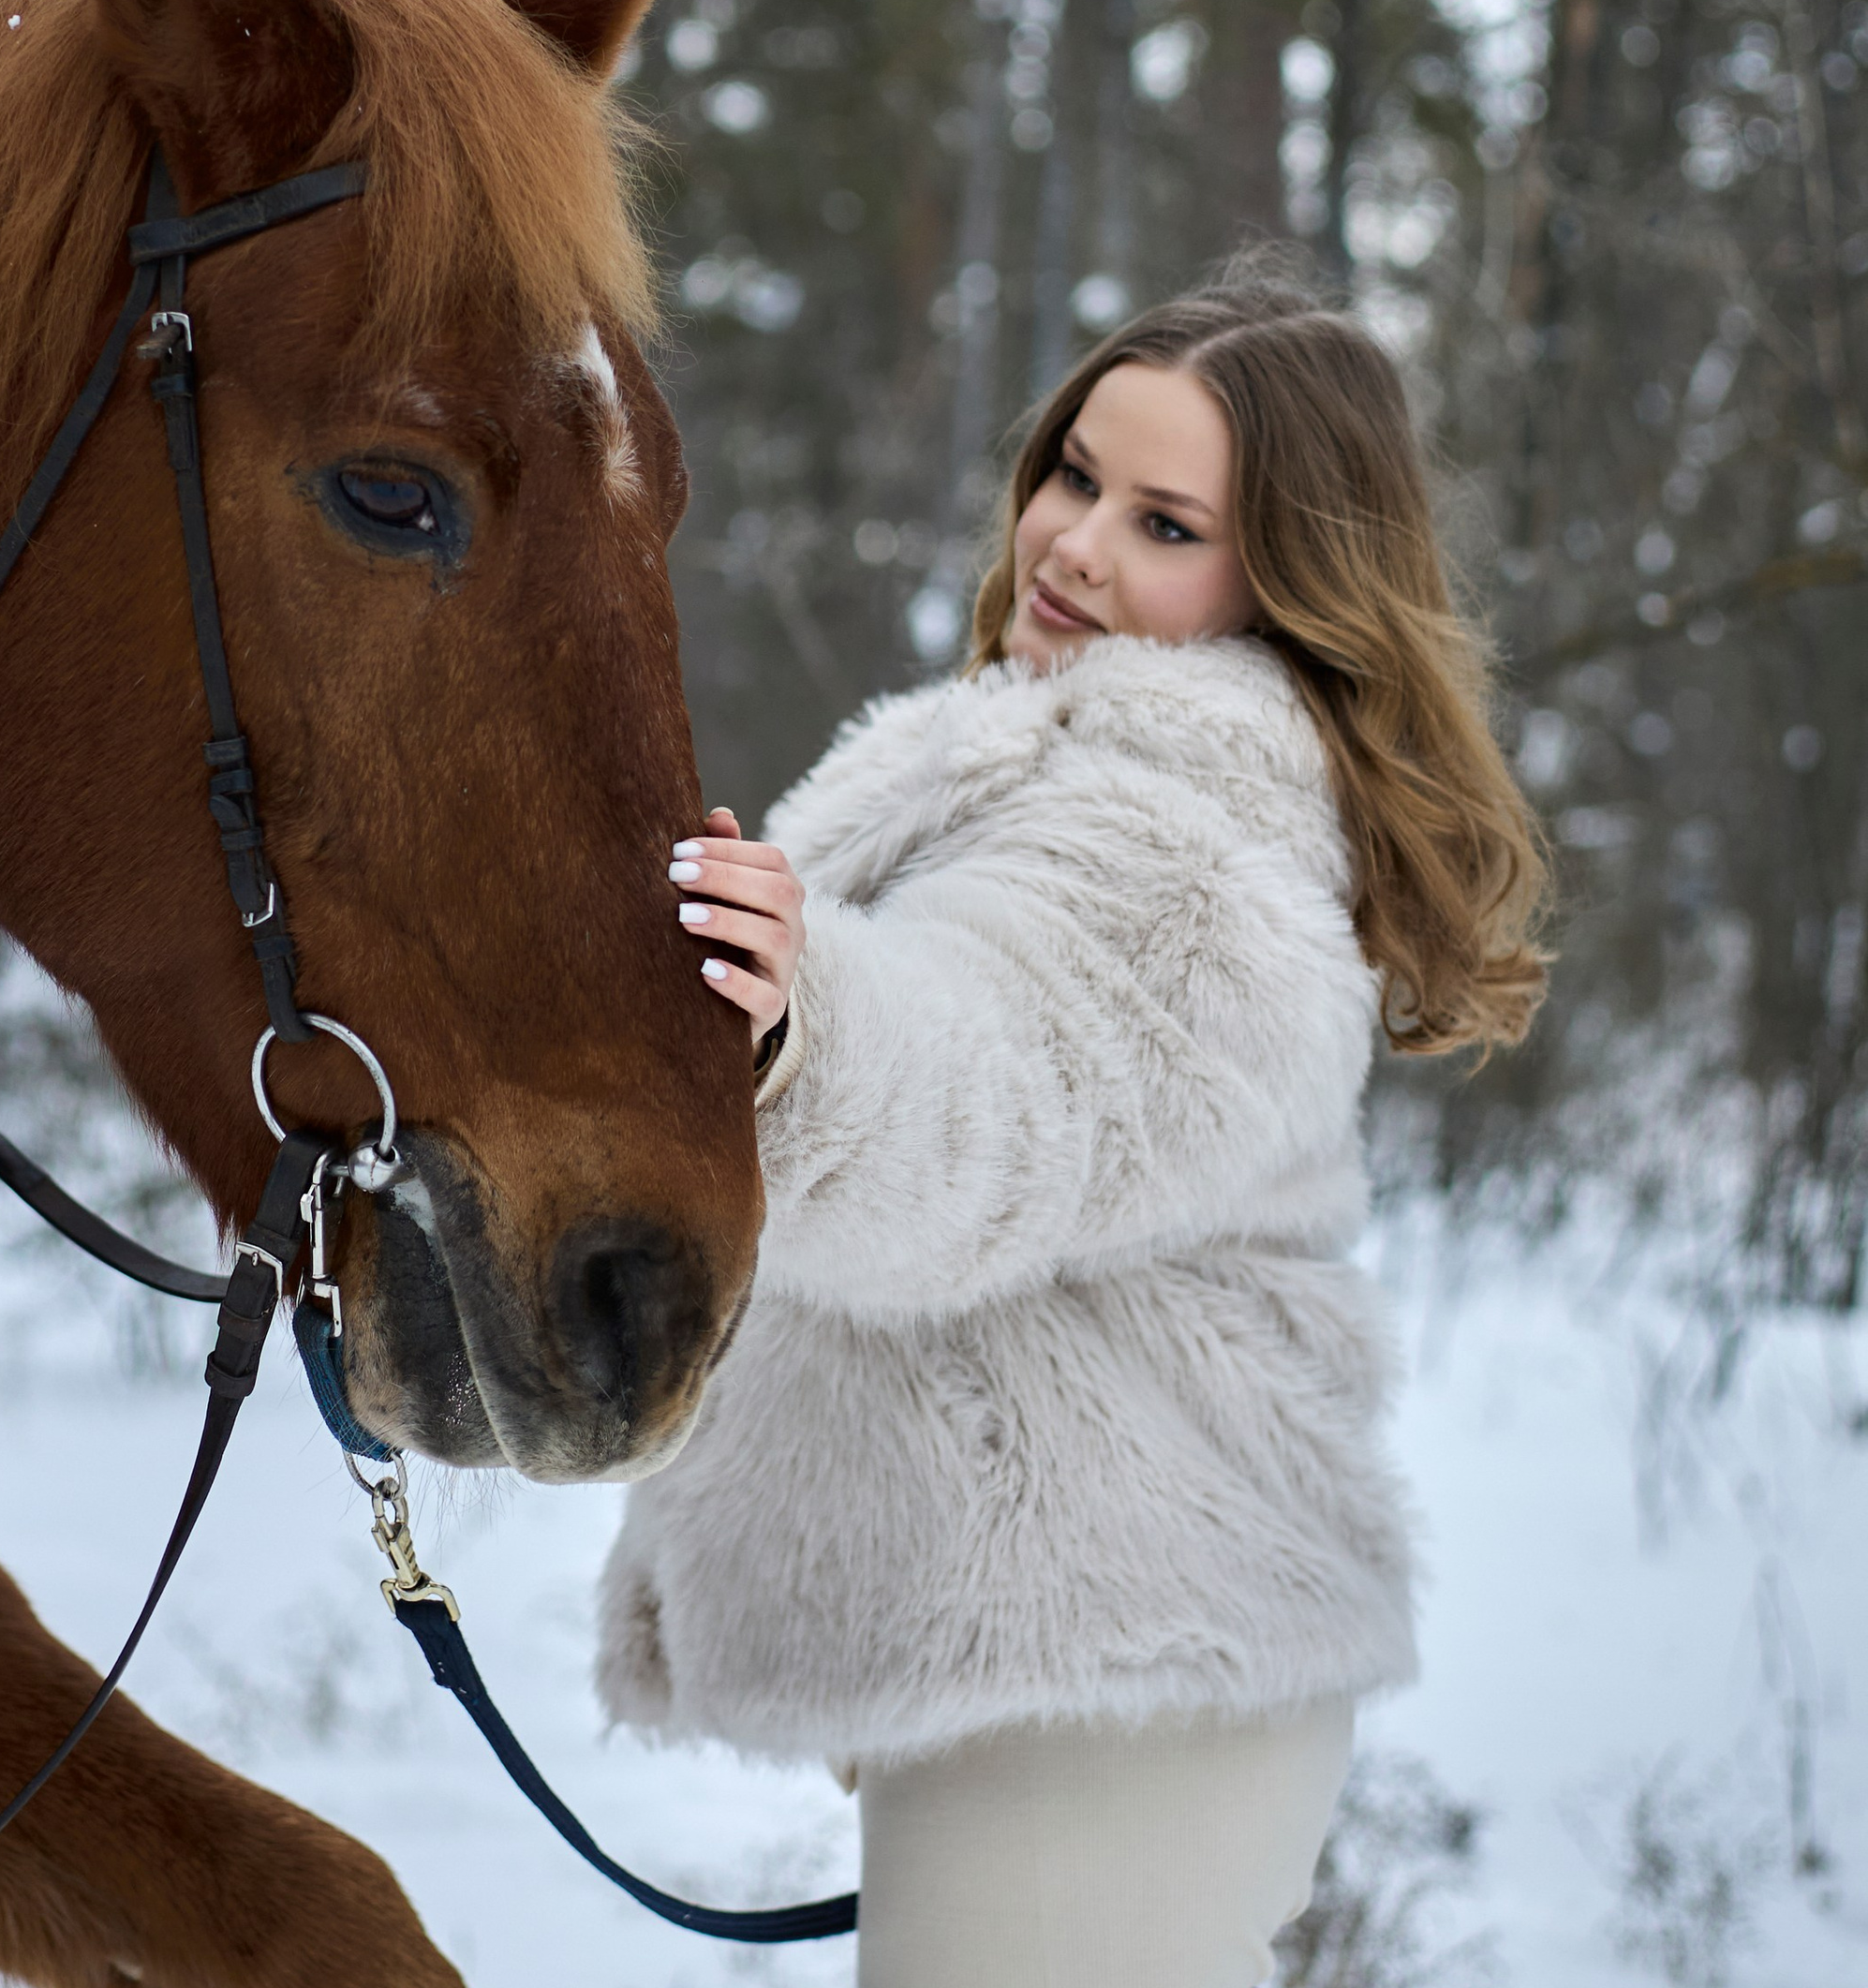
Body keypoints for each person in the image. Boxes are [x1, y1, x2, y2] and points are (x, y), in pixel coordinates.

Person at [601, 262, 1549, 1987]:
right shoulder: (1025, 764)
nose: (1078, 544)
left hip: (1122, 1678)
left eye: (1166, 524)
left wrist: (805, 1026)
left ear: (1290, 585)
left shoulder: (1196, 851)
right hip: (1059, 1662)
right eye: (1074, 474)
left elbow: (989, 1103)